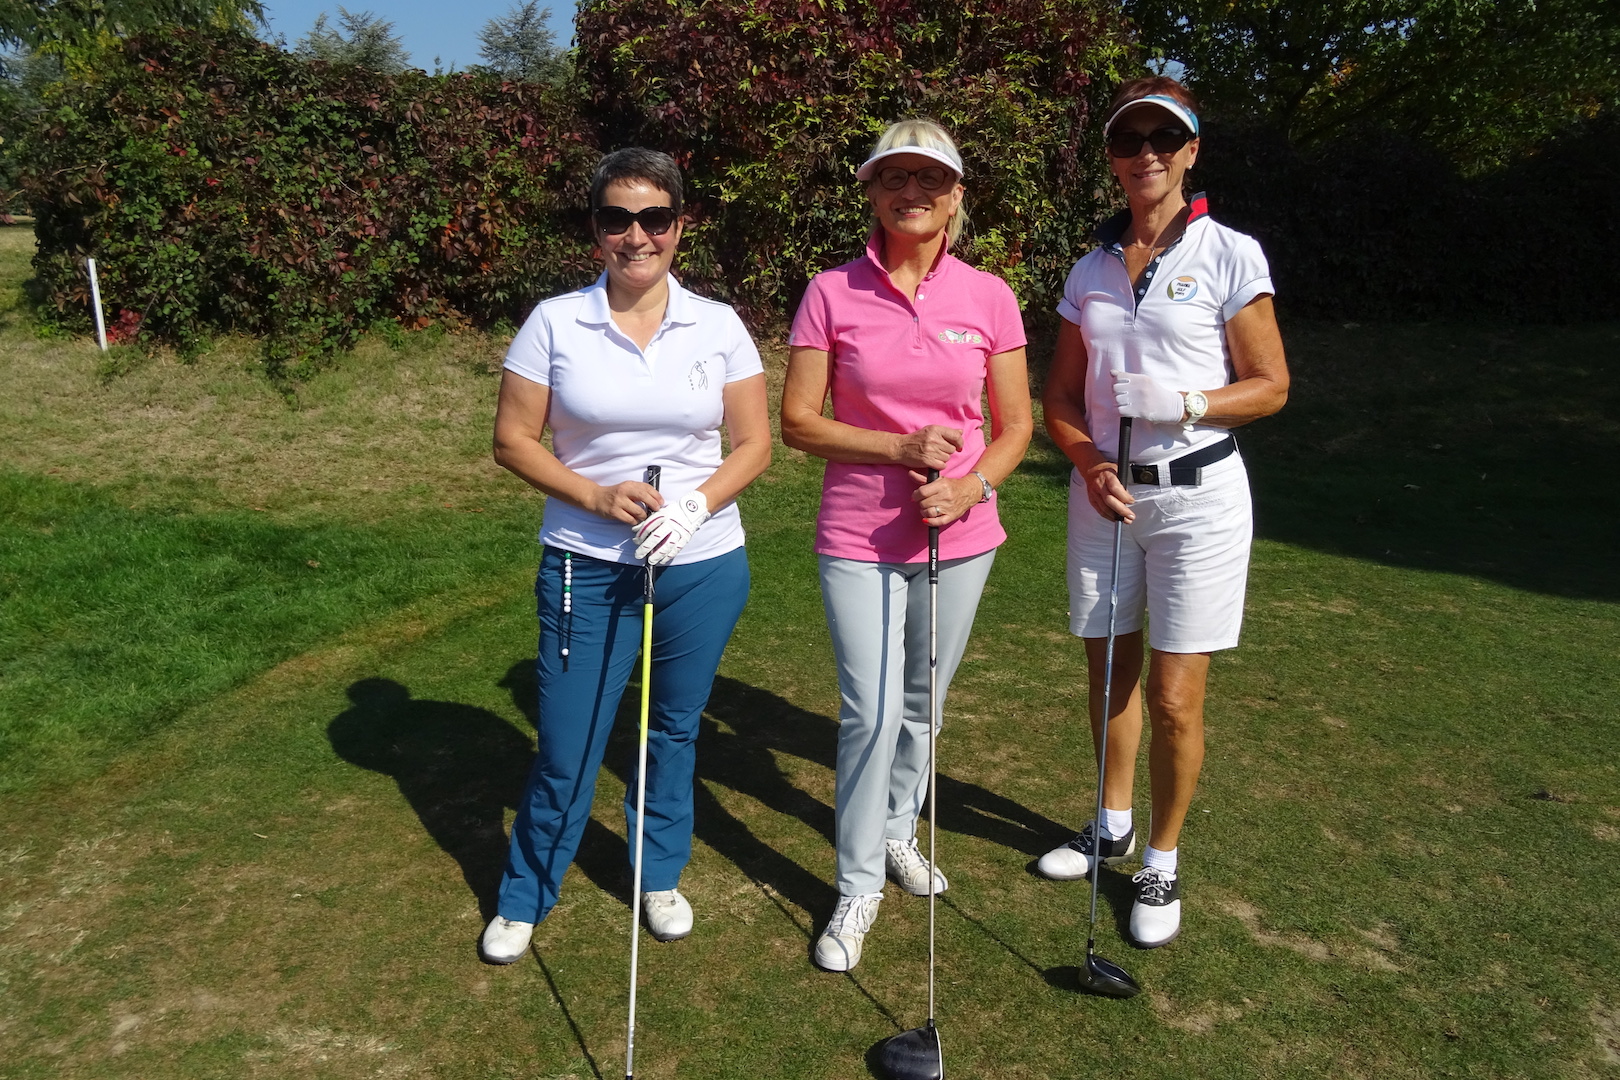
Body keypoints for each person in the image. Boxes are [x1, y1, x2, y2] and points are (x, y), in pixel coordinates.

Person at [480, 147, 772, 964]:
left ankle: (658, 874)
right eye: (617, 219)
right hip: (586, 559)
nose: (635, 236)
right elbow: (511, 440)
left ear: (680, 226)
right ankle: (527, 892)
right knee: (570, 741)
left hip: (703, 559)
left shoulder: (717, 324)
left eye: (653, 219)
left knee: (672, 728)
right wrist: (597, 496)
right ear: (596, 229)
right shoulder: (553, 320)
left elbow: (753, 444)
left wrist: (694, 504)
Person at [1038, 77, 1289, 948]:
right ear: (1111, 158)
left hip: (1200, 499)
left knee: (1177, 698)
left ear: (1189, 151)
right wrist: (1085, 460)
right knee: (1109, 675)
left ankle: (1162, 855)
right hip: (1104, 497)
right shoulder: (1090, 267)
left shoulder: (1228, 253)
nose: (1144, 152)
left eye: (1162, 137)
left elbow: (1271, 387)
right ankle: (1108, 824)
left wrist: (1187, 401)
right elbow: (1061, 399)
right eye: (1127, 139)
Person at [782, 119, 1033, 972]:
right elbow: (798, 423)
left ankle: (895, 830)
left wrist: (974, 485)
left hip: (961, 534)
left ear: (956, 195)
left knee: (925, 705)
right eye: (896, 178)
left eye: (931, 179)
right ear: (873, 192)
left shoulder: (990, 296)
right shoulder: (831, 291)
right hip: (858, 534)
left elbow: (1017, 425)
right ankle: (857, 882)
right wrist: (894, 448)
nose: (912, 193)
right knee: (872, 710)